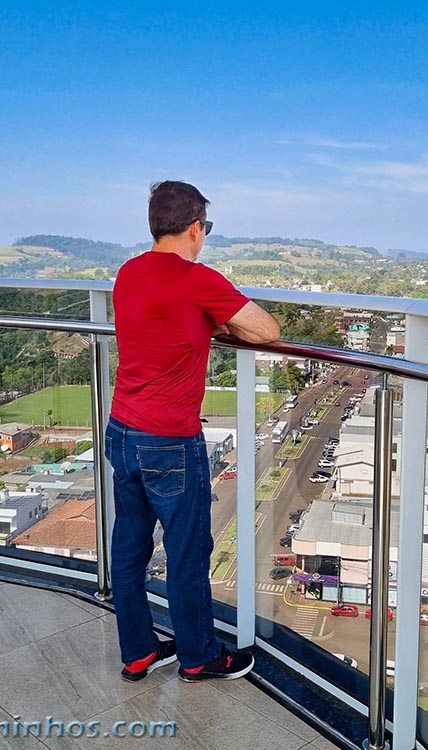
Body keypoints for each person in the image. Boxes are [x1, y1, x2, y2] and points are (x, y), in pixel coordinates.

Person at [107, 180, 280, 683]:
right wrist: (218, 324)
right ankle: (200, 657)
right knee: (186, 552)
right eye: (206, 227)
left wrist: (203, 324)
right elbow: (267, 331)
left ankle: (138, 651)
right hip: (169, 440)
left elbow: (161, 323)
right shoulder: (196, 279)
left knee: (129, 548)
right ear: (195, 227)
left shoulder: (128, 273)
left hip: (121, 430)